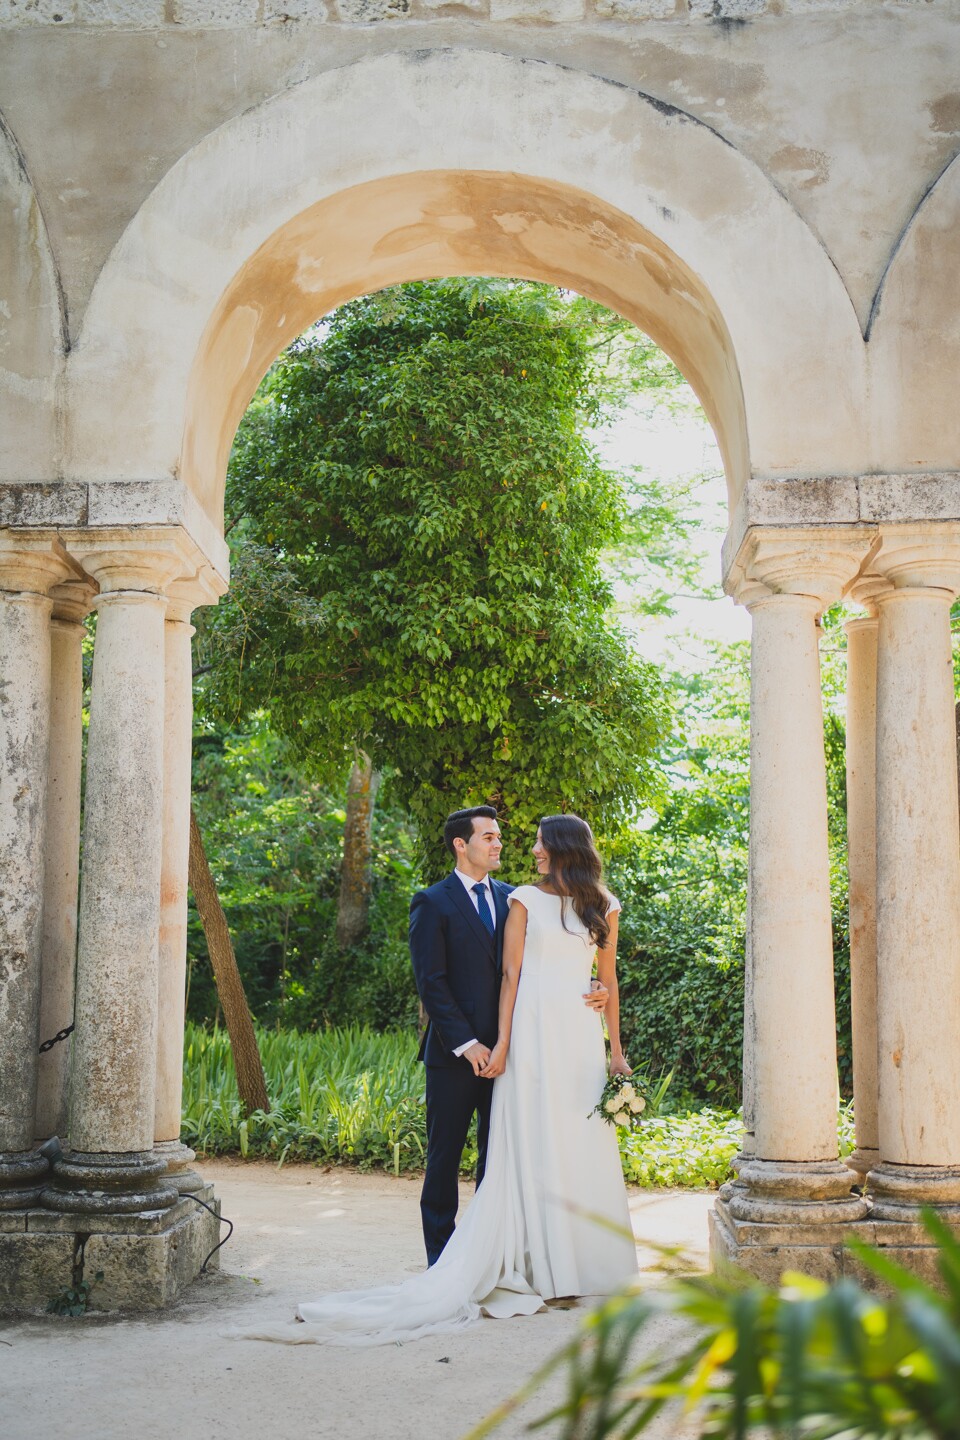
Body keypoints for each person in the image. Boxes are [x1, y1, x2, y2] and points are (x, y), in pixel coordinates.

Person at [236, 812, 637, 1347]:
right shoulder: (454, 900)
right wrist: (484, 1045)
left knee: (531, 1151)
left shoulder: (543, 899)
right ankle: (444, 1266)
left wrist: (609, 1027)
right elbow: (440, 982)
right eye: (492, 837)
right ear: (461, 844)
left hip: (562, 1038)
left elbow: (598, 973)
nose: (512, 846)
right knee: (447, 1158)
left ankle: (552, 1261)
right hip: (479, 1050)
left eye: (525, 841)